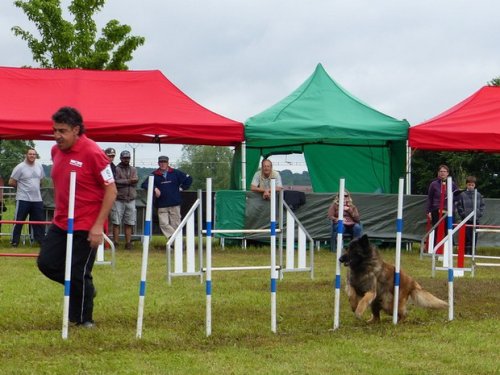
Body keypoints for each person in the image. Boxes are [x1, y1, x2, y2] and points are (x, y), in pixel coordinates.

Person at [37, 106, 117, 328]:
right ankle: (85, 290)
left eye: (62, 131)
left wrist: (98, 226)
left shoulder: (93, 153)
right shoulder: (55, 151)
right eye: (54, 130)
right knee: (46, 263)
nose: (57, 136)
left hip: (87, 223)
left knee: (78, 271)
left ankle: (84, 319)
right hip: (61, 220)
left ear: (76, 129)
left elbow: (111, 190)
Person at [141, 156, 192, 239]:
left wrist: (182, 188)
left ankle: (174, 244)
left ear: (168, 163)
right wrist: (154, 188)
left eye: (164, 162)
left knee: (176, 224)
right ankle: (176, 240)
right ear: (158, 163)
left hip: (175, 203)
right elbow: (144, 184)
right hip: (161, 205)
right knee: (163, 224)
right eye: (161, 162)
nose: (162, 164)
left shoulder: (175, 172)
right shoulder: (154, 174)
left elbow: (189, 179)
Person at [8, 148, 46, 247]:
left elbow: (41, 180)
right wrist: (22, 188)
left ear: (36, 156)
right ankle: (14, 241)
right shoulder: (20, 167)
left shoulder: (39, 166)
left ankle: (40, 242)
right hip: (23, 199)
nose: (32, 156)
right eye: (30, 154)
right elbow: (11, 181)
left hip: (37, 199)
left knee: (39, 222)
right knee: (19, 221)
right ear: (26, 155)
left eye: (34, 154)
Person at [112, 150, 138, 249]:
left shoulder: (133, 169)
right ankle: (116, 242)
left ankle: (128, 243)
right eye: (124, 158)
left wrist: (126, 181)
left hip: (131, 198)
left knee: (129, 222)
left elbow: (136, 181)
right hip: (119, 198)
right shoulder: (116, 169)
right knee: (116, 221)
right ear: (121, 158)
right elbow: (116, 181)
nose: (126, 160)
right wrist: (129, 181)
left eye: (128, 158)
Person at [456, 176, 485, 255]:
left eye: (472, 185)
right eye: (469, 185)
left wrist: (479, 213)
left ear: (474, 185)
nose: (470, 186)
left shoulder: (478, 195)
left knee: (474, 235)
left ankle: (473, 250)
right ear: (466, 185)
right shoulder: (462, 195)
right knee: (466, 235)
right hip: (466, 219)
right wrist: (463, 214)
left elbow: (482, 205)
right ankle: (466, 251)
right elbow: (459, 206)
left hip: (476, 219)